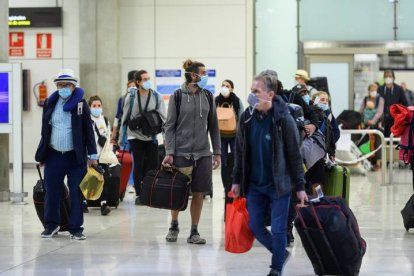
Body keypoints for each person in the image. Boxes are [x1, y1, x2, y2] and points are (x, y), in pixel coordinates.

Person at [231, 70, 308, 276]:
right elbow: (240, 152)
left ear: (270, 94)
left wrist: (300, 187)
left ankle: (276, 268)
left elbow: (294, 156)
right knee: (255, 226)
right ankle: (280, 254)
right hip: (255, 185)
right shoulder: (246, 118)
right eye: (251, 90)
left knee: (279, 229)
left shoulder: (284, 120)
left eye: (256, 91)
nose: (251, 95)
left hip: (279, 185)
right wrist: (236, 181)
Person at [163, 59, 221, 244]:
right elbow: (169, 126)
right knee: (178, 192)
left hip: (203, 153)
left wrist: (217, 152)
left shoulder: (208, 96)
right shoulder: (178, 96)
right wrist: (169, 151)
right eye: (203, 73)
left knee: (199, 192)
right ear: (194, 75)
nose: (206, 76)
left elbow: (214, 126)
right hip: (181, 152)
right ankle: (174, 225)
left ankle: (194, 231)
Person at [34, 69, 97, 240]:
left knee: (77, 193)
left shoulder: (80, 105)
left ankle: (76, 228)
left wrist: (92, 156)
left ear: (73, 86)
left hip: (75, 157)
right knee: (51, 191)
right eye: (60, 85)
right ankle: (51, 225)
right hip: (54, 156)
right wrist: (42, 155)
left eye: (66, 85)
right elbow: (45, 132)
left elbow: (88, 131)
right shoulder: (50, 103)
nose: (62, 88)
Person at [119, 70, 167, 205]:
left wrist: (166, 136)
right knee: (138, 164)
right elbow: (125, 117)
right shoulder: (131, 97)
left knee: (153, 165)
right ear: (138, 82)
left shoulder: (156, 96)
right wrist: (121, 137)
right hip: (134, 135)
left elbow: (164, 118)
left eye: (148, 79)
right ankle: (139, 195)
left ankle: (151, 192)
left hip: (151, 135)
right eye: (144, 79)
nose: (147, 81)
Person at [214, 79, 243, 196]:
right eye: (223, 85)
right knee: (224, 162)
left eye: (227, 86)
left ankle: (235, 185)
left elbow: (242, 117)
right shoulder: (216, 101)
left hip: (234, 135)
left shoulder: (236, 101)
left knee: (236, 160)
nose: (225, 87)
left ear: (232, 89)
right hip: (221, 135)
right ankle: (226, 187)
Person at [85, 95, 112, 215]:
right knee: (88, 179)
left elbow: (108, 138)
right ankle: (84, 203)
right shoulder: (86, 120)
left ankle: (104, 204)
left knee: (104, 179)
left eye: (99, 106)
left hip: (103, 156)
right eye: (94, 106)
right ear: (89, 107)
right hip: (89, 156)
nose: (97, 108)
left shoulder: (105, 120)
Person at [359, 84, 384, 170]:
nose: (373, 92)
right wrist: (365, 121)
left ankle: (378, 162)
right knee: (365, 141)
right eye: (371, 90)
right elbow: (361, 111)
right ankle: (365, 160)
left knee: (378, 141)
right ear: (369, 91)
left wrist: (373, 121)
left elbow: (379, 112)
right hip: (366, 125)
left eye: (375, 90)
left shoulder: (380, 100)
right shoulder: (365, 99)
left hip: (377, 125)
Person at [378, 70, 408, 137]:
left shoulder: (399, 89)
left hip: (395, 119)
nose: (388, 78)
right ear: (384, 78)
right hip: (383, 119)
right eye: (386, 76)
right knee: (383, 139)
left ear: (393, 78)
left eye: (390, 76)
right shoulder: (380, 89)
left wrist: (400, 115)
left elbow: (405, 104)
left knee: (394, 140)